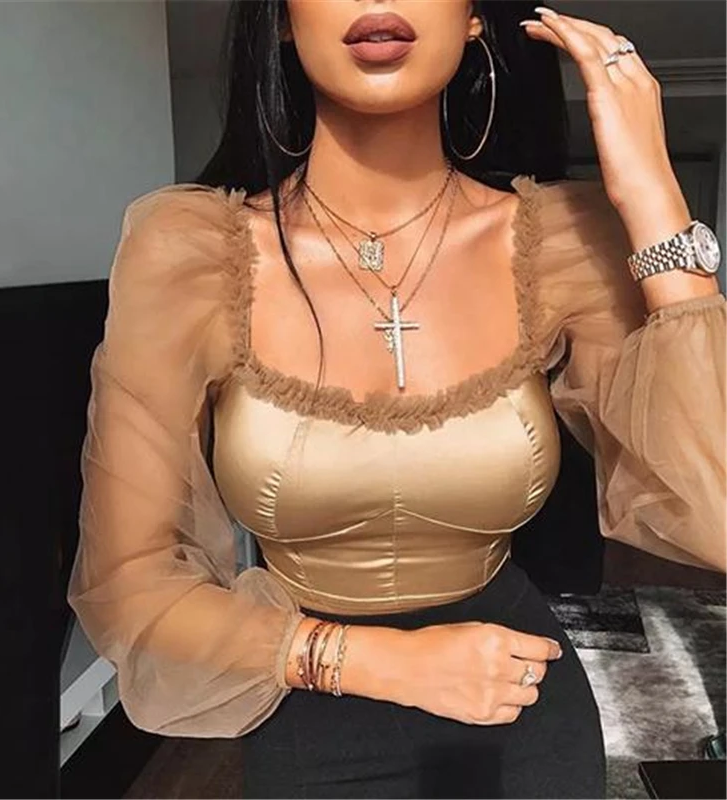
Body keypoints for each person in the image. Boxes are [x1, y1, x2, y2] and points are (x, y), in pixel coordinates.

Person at [66, 1, 726, 797]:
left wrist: (652, 196)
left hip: (520, 704)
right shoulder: (190, 254)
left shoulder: (558, 243)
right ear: (283, 20)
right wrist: (381, 662)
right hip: (308, 719)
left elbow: (714, 513)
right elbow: (129, 582)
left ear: (473, 17)